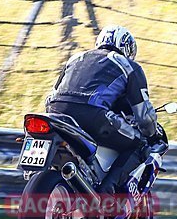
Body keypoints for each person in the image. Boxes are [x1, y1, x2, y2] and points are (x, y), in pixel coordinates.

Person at [45, 25, 157, 194]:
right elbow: (144, 116)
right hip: (93, 114)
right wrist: (150, 133)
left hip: (55, 111)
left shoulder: (76, 58)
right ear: (128, 48)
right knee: (139, 145)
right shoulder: (129, 66)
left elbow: (51, 95)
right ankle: (107, 194)